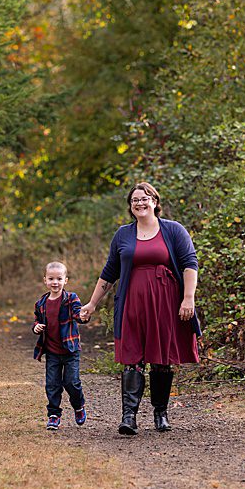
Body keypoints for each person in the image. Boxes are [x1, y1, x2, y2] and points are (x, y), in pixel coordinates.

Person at [77, 181, 200, 436]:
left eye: (145, 199)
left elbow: (190, 264)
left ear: (155, 202)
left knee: (161, 360)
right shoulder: (123, 234)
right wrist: (91, 303)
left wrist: (188, 299)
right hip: (131, 304)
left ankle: (160, 414)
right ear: (130, 207)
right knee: (132, 358)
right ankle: (129, 417)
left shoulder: (174, 230)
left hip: (164, 304)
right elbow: (110, 273)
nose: (140, 203)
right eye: (135, 200)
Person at [32, 259, 88, 430]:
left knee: (72, 382)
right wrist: (36, 327)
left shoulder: (71, 299)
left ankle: (78, 406)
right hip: (52, 352)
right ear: (45, 280)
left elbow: (78, 314)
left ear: (65, 280)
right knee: (52, 384)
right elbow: (36, 320)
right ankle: (54, 415)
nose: (55, 282)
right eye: (51, 279)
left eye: (59, 279)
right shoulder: (41, 303)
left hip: (70, 350)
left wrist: (83, 316)